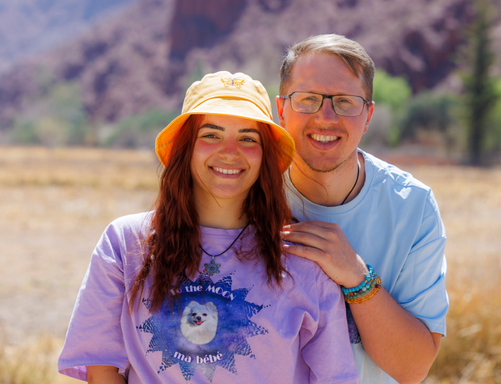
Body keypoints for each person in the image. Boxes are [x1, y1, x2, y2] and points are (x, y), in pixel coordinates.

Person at [58, 71, 359, 384]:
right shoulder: (126, 243)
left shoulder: (303, 257)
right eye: (211, 135)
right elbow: (103, 367)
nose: (230, 151)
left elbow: (334, 376)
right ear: (186, 147)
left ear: (265, 155)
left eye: (247, 138)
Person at [276, 35, 448, 384]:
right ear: (281, 109)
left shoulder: (412, 207)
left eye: (345, 101)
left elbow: (412, 368)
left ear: (367, 116)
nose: (326, 118)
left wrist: (356, 276)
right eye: (308, 99)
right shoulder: (246, 194)